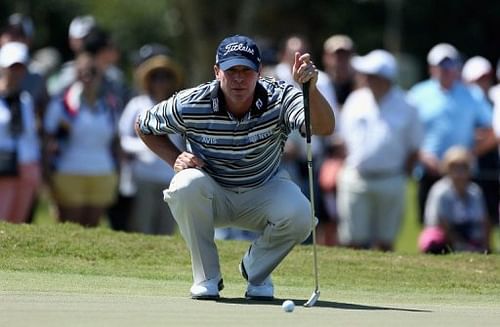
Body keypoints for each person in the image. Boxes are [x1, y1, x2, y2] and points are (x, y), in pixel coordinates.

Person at [135, 35, 334, 300]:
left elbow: (323, 127)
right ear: (217, 72)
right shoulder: (192, 102)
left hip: (264, 189)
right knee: (185, 184)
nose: (239, 78)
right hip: (212, 192)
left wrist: (309, 89)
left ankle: (255, 271)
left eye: (246, 70)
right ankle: (207, 277)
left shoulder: (281, 96)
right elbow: (144, 124)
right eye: (231, 70)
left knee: (301, 214)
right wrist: (175, 158)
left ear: (259, 72)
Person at [336, 50, 422, 251]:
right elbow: (344, 137)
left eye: (370, 75)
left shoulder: (408, 104)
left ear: (384, 78)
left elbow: (414, 147)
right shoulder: (356, 99)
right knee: (353, 240)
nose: (364, 78)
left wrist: (402, 176)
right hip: (356, 178)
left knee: (385, 241)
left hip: (391, 179)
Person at [407, 43, 495, 225]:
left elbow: (492, 130)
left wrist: (471, 154)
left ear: (457, 67)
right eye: (441, 65)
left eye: (450, 65)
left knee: (465, 224)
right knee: (430, 225)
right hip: (428, 171)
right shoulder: (417, 94)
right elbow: (407, 131)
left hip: (463, 173)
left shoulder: (472, 95)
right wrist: (422, 156)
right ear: (431, 68)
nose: (446, 70)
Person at [43, 52, 120, 227]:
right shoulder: (61, 104)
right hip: (69, 171)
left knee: (92, 228)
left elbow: (115, 142)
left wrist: (119, 172)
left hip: (103, 172)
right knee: (71, 228)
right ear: (76, 75)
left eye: (92, 72)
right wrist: (46, 175)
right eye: (82, 72)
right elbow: (47, 141)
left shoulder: (110, 105)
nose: (87, 77)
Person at [118, 47, 184, 235]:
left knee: (166, 227)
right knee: (142, 225)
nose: (161, 82)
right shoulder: (137, 104)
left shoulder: (177, 105)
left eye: (165, 77)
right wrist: (146, 146)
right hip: (143, 176)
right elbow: (123, 139)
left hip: (170, 176)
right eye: (156, 77)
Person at [418, 146, 489, 254]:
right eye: (454, 167)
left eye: (463, 167)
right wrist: (460, 245)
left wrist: (485, 246)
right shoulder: (440, 191)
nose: (459, 172)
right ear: (447, 168)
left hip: (468, 234)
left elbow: (483, 220)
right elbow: (442, 223)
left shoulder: (474, 191)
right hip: (444, 236)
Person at [0, 42, 41, 223]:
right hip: (3, 166)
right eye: (12, 67)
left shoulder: (25, 99)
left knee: (19, 223)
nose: (16, 73)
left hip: (27, 164)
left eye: (20, 68)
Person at [461, 56, 500, 238]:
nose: (483, 83)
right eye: (478, 79)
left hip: (491, 164)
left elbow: (494, 134)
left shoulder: (495, 97)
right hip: (473, 167)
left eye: (486, 78)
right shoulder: (465, 100)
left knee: (492, 212)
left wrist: (477, 145)